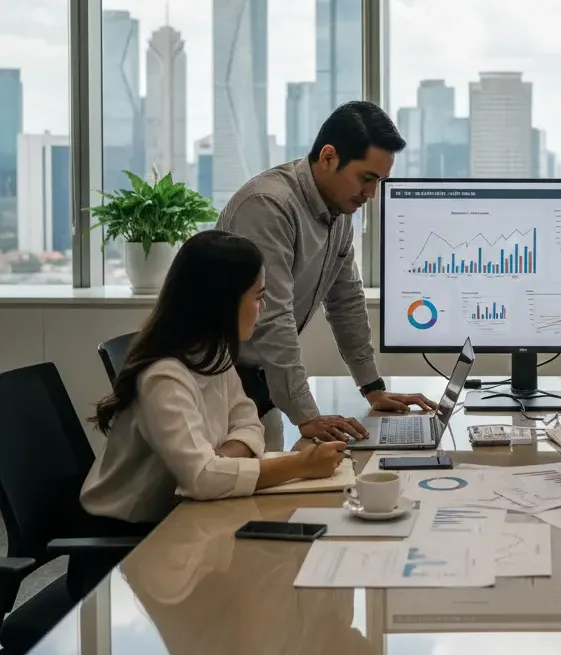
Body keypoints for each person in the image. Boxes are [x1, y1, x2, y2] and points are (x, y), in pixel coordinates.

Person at [81, 231, 348, 527]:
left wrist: (219, 463)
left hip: (179, 516)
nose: (263, 308)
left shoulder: (213, 355)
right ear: (223, 302)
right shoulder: (164, 376)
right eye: (258, 297)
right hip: (126, 537)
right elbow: (201, 479)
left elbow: (249, 424)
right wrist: (300, 465)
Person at [217, 100, 435, 449]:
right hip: (218, 386)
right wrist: (307, 415)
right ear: (329, 157)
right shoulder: (268, 207)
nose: (371, 194)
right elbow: (273, 319)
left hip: (259, 387)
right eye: (366, 178)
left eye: (379, 181)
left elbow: (346, 300)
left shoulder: (339, 210)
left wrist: (372, 388)